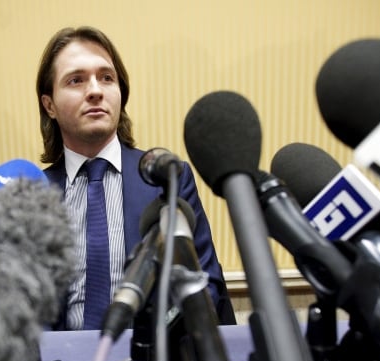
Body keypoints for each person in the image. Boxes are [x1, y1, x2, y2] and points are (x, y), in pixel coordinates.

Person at [36, 26, 236, 331]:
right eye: (76, 80)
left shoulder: (167, 179)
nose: (95, 90)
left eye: (106, 78)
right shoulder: (34, 195)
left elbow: (204, 285)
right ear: (49, 105)